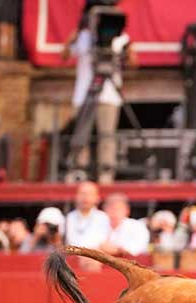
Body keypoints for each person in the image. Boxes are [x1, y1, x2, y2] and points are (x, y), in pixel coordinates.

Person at [62, 6, 136, 183]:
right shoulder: (84, 37)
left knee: (107, 136)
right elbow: (64, 56)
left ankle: (106, 175)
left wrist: (128, 50)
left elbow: (134, 63)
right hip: (83, 94)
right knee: (82, 135)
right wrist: (71, 38)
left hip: (109, 95)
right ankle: (80, 172)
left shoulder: (120, 38)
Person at [65, 182, 111, 248]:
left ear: (97, 198)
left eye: (90, 194)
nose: (85, 197)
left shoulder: (104, 218)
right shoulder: (69, 217)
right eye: (82, 193)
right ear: (76, 196)